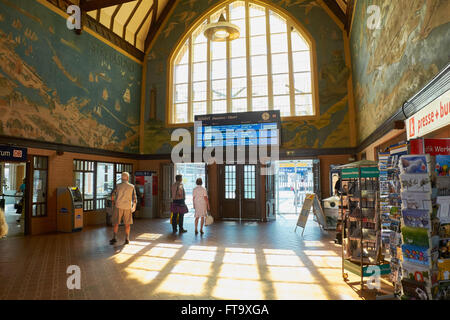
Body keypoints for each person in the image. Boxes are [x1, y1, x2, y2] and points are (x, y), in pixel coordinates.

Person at [110, 172, 137, 245]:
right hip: (128, 207)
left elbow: (112, 195)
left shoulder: (117, 186)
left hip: (118, 206)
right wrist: (133, 206)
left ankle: (114, 238)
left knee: (116, 223)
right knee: (127, 224)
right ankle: (127, 239)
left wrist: (114, 203)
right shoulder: (132, 186)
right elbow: (135, 198)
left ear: (122, 178)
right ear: (128, 178)